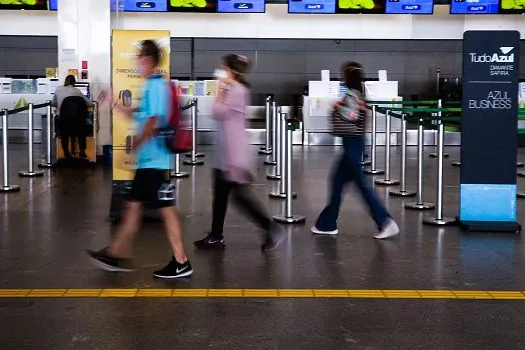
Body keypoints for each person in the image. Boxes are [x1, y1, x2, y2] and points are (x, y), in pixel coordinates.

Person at [87, 40, 193, 279]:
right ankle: (116, 254)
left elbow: (154, 121)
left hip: (153, 161)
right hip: (151, 162)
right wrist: (115, 102)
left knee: (162, 210)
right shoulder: (151, 85)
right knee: (135, 207)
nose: (136, 61)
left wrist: (134, 146)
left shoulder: (155, 85)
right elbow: (140, 114)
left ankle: (181, 261)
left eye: (138, 57)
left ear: (146, 59)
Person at [194, 54, 284, 252]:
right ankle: (216, 235)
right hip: (227, 149)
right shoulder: (236, 88)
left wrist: (220, 89)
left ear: (229, 69)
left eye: (222, 67)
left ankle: (269, 228)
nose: (219, 71)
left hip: (231, 152)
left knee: (237, 196)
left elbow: (218, 111)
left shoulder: (234, 89)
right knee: (223, 195)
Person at [311, 62, 399, 239]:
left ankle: (385, 221)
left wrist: (337, 107)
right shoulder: (359, 94)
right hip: (353, 142)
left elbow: (352, 115)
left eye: (343, 75)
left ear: (347, 77)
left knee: (361, 184)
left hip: (352, 143)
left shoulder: (351, 94)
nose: (341, 78)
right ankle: (326, 224)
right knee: (336, 182)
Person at [51, 75, 92, 159]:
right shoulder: (77, 91)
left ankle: (66, 152)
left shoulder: (58, 89)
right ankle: (82, 150)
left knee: (64, 132)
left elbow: (53, 103)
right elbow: (89, 104)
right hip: (77, 123)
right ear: (74, 82)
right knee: (82, 129)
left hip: (63, 122)